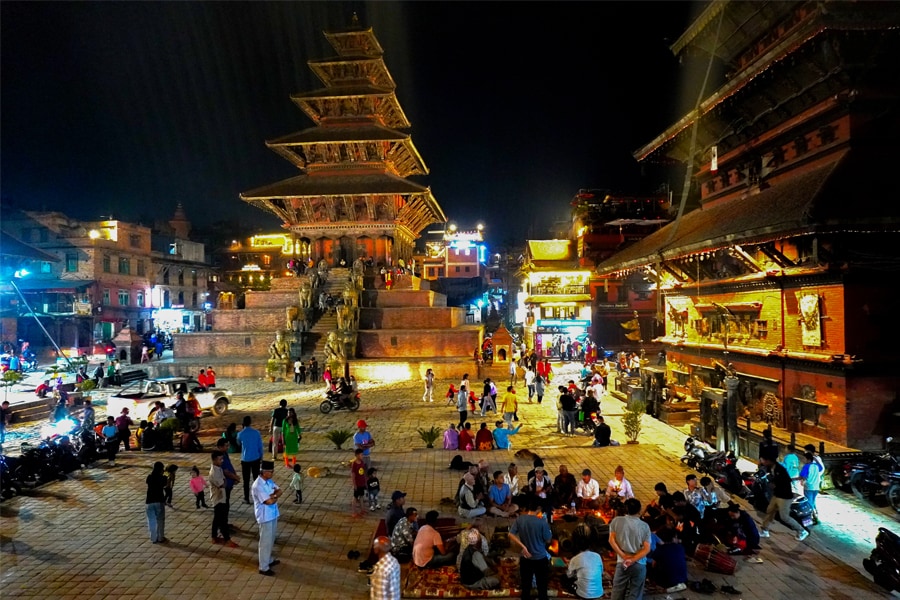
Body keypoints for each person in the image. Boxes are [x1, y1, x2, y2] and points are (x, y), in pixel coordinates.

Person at [509, 497, 553, 600]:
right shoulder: (542, 522)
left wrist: (523, 546)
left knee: (526, 586)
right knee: (542, 586)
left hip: (526, 558)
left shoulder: (520, 519)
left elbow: (511, 534)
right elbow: (548, 540)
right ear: (538, 508)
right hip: (540, 558)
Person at [608, 498, 651, 600]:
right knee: (635, 593)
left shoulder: (616, 521)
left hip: (622, 562)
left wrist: (623, 556)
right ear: (639, 510)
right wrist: (633, 559)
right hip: (639, 563)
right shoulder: (644, 526)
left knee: (617, 591)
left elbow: (611, 540)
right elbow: (646, 549)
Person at [759, 456, 808, 541]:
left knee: (784, 517)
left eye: (763, 460)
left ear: (769, 460)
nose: (762, 462)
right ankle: (765, 530)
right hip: (777, 494)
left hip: (784, 497)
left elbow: (785, 482)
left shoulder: (780, 469)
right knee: (770, 511)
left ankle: (802, 530)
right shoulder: (770, 468)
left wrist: (774, 484)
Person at [252, 461, 281, 576]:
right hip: (265, 516)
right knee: (265, 541)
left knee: (271, 538)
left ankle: (268, 559)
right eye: (270, 471)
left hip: (272, 514)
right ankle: (263, 567)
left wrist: (274, 496)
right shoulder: (258, 486)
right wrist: (274, 497)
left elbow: (279, 491)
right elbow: (268, 502)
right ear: (264, 472)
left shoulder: (268, 481)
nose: (272, 473)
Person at [209, 451, 238, 547]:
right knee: (221, 519)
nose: (222, 461)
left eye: (222, 459)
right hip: (218, 498)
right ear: (214, 460)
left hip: (221, 496)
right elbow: (222, 484)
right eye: (220, 459)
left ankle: (214, 537)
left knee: (217, 518)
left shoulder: (218, 469)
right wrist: (226, 480)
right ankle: (227, 539)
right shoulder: (214, 472)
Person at [567, 534, 604, 600]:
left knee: (564, 579)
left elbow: (569, 575)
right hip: (598, 593)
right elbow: (601, 572)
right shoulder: (597, 556)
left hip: (583, 594)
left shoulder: (575, 559)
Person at [214, 437, 240, 530]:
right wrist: (235, 477)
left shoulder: (225, 454)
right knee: (223, 507)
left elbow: (230, 466)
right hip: (224, 485)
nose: (228, 447)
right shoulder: (219, 457)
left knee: (226, 505)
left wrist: (235, 476)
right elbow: (225, 471)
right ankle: (222, 526)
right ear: (220, 447)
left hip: (229, 484)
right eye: (226, 446)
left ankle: (225, 523)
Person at [237, 416, 264, 504]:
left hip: (245, 459)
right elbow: (260, 446)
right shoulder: (256, 433)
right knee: (256, 479)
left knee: (246, 480)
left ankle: (246, 498)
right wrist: (261, 456)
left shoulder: (240, 434)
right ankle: (258, 497)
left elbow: (238, 443)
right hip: (255, 458)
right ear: (250, 422)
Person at [370, 535, 401, 600]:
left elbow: (380, 597)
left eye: (375, 545)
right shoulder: (394, 561)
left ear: (378, 549)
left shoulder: (381, 571)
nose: (373, 547)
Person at [145, 461, 168, 544]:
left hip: (149, 501)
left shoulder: (149, 477)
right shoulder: (163, 478)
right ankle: (160, 537)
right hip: (159, 501)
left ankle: (153, 538)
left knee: (151, 520)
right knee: (160, 520)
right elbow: (166, 485)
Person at [800, 451, 823, 520]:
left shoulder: (806, 466)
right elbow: (821, 467)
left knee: (809, 502)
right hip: (816, 487)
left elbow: (802, 476)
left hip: (809, 487)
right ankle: (815, 514)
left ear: (808, 459)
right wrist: (816, 460)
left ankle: (810, 517)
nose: (803, 460)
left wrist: (793, 479)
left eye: (804, 458)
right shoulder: (816, 466)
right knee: (812, 501)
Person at [351, 448, 368, 514]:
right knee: (355, 497)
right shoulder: (354, 464)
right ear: (357, 455)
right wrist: (354, 484)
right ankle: (354, 512)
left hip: (362, 483)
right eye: (361, 455)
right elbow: (353, 475)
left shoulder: (362, 462)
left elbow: (363, 472)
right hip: (357, 483)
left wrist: (365, 481)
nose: (362, 456)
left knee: (361, 496)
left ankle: (362, 510)